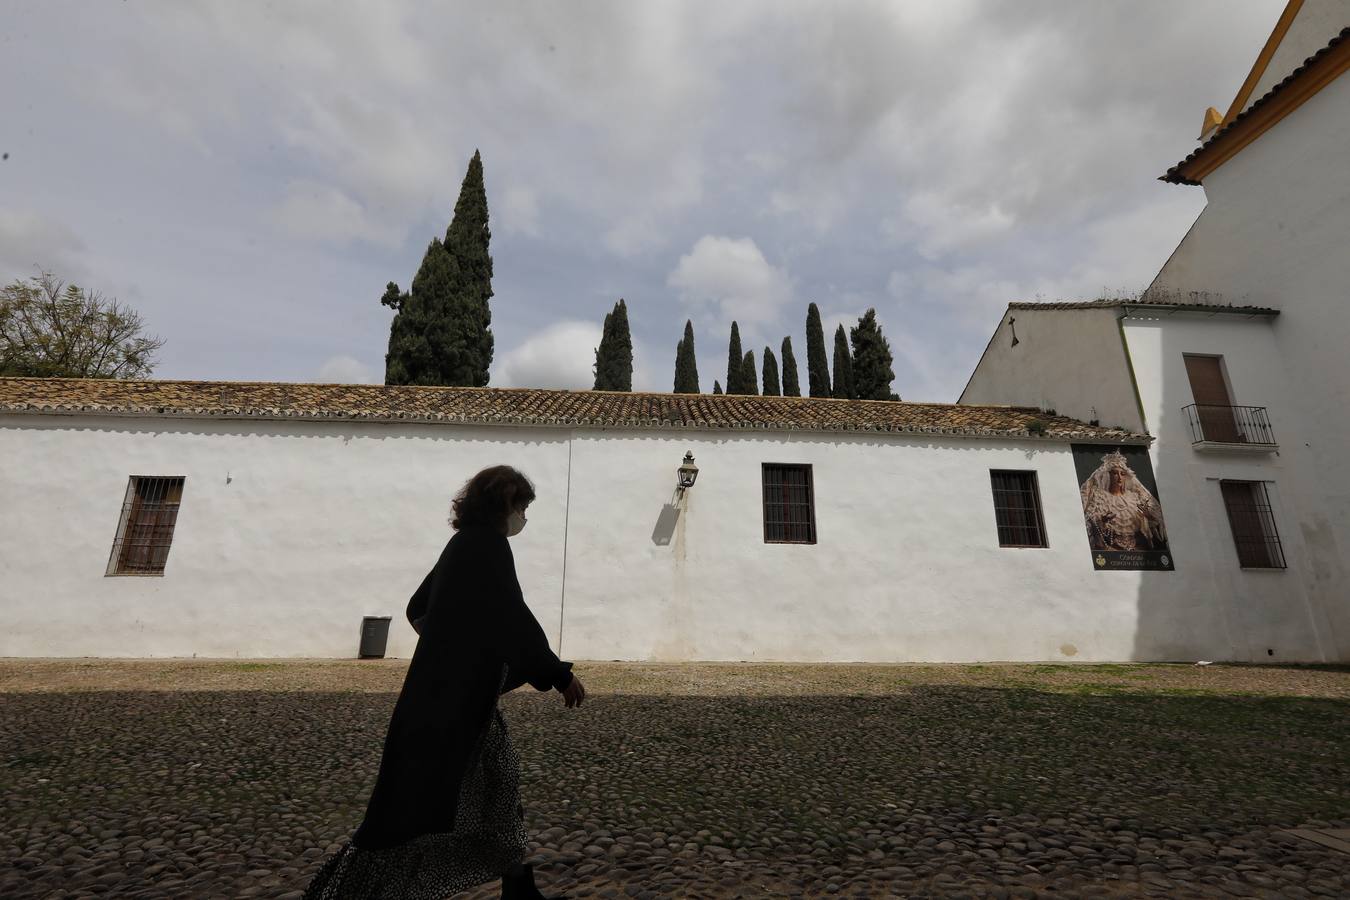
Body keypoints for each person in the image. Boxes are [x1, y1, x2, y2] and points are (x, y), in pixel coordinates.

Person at [303, 465, 585, 900]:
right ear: (501, 505)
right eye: (521, 506)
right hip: (454, 706)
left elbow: (421, 608)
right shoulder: (487, 546)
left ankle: (513, 882)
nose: (524, 517)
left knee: (480, 790)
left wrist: (451, 645)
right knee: (443, 804)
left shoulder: (462, 545)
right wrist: (558, 674)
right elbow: (511, 617)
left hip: (451, 699)